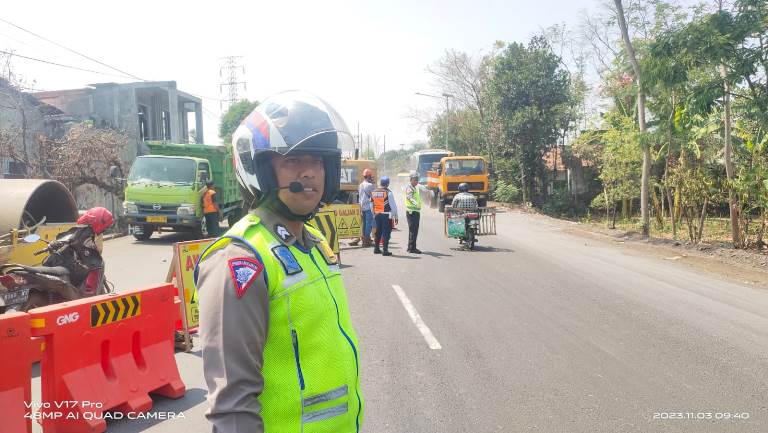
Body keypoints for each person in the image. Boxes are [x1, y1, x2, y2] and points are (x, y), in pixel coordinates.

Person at [195, 91, 364, 433]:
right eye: (292, 160)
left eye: (318, 161)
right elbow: (232, 408)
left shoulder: (313, 243)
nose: (310, 172)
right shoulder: (240, 259)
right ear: (260, 170)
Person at [370, 176, 398, 256]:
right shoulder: (388, 192)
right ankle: (385, 251)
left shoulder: (374, 192)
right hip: (386, 215)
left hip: (377, 215)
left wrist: (373, 214)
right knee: (386, 232)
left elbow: (371, 204)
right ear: (388, 183)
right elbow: (393, 206)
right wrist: (396, 216)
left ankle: (376, 249)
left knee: (378, 232)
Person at [349, 168, 375, 247]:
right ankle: (366, 240)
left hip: (362, 207)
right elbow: (373, 196)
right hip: (369, 207)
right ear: (369, 176)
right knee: (369, 224)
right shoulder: (370, 185)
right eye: (371, 176)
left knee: (364, 224)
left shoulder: (361, 185)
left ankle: (364, 238)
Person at [404, 171, 422, 254]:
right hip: (412, 212)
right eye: (415, 180)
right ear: (411, 180)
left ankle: (411, 247)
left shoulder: (414, 188)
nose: (416, 181)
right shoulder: (410, 188)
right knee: (413, 230)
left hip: (415, 211)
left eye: (417, 180)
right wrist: (416, 204)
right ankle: (412, 248)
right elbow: (409, 197)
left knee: (414, 230)